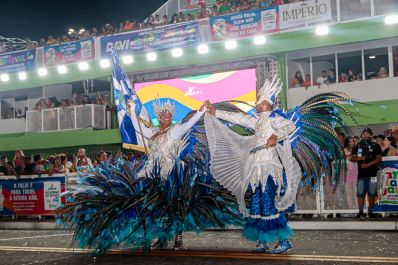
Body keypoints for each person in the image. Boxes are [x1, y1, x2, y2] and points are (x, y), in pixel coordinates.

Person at [205, 77, 298, 254]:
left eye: (259, 100)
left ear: (266, 103)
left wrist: (276, 136)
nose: (256, 103)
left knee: (269, 203)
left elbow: (290, 126)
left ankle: (285, 241)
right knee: (257, 204)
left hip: (269, 166)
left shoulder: (273, 118)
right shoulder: (257, 120)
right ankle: (264, 240)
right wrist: (215, 111)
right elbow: (237, 118)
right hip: (256, 168)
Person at [350, 128, 382, 220]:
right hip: (361, 175)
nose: (365, 134)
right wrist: (360, 159)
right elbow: (352, 158)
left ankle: (370, 212)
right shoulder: (358, 146)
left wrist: (367, 164)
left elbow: (379, 158)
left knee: (372, 194)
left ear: (371, 135)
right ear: (361, 135)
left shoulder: (375, 145)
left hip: (372, 174)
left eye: (367, 133)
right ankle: (360, 212)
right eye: (364, 133)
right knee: (360, 194)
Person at [344, 137, 358, 210]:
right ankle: (351, 210)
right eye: (350, 142)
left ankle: (357, 209)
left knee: (356, 192)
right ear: (347, 143)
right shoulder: (344, 150)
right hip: (347, 173)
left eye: (352, 141)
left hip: (356, 172)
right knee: (349, 193)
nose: (352, 143)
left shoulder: (357, 149)